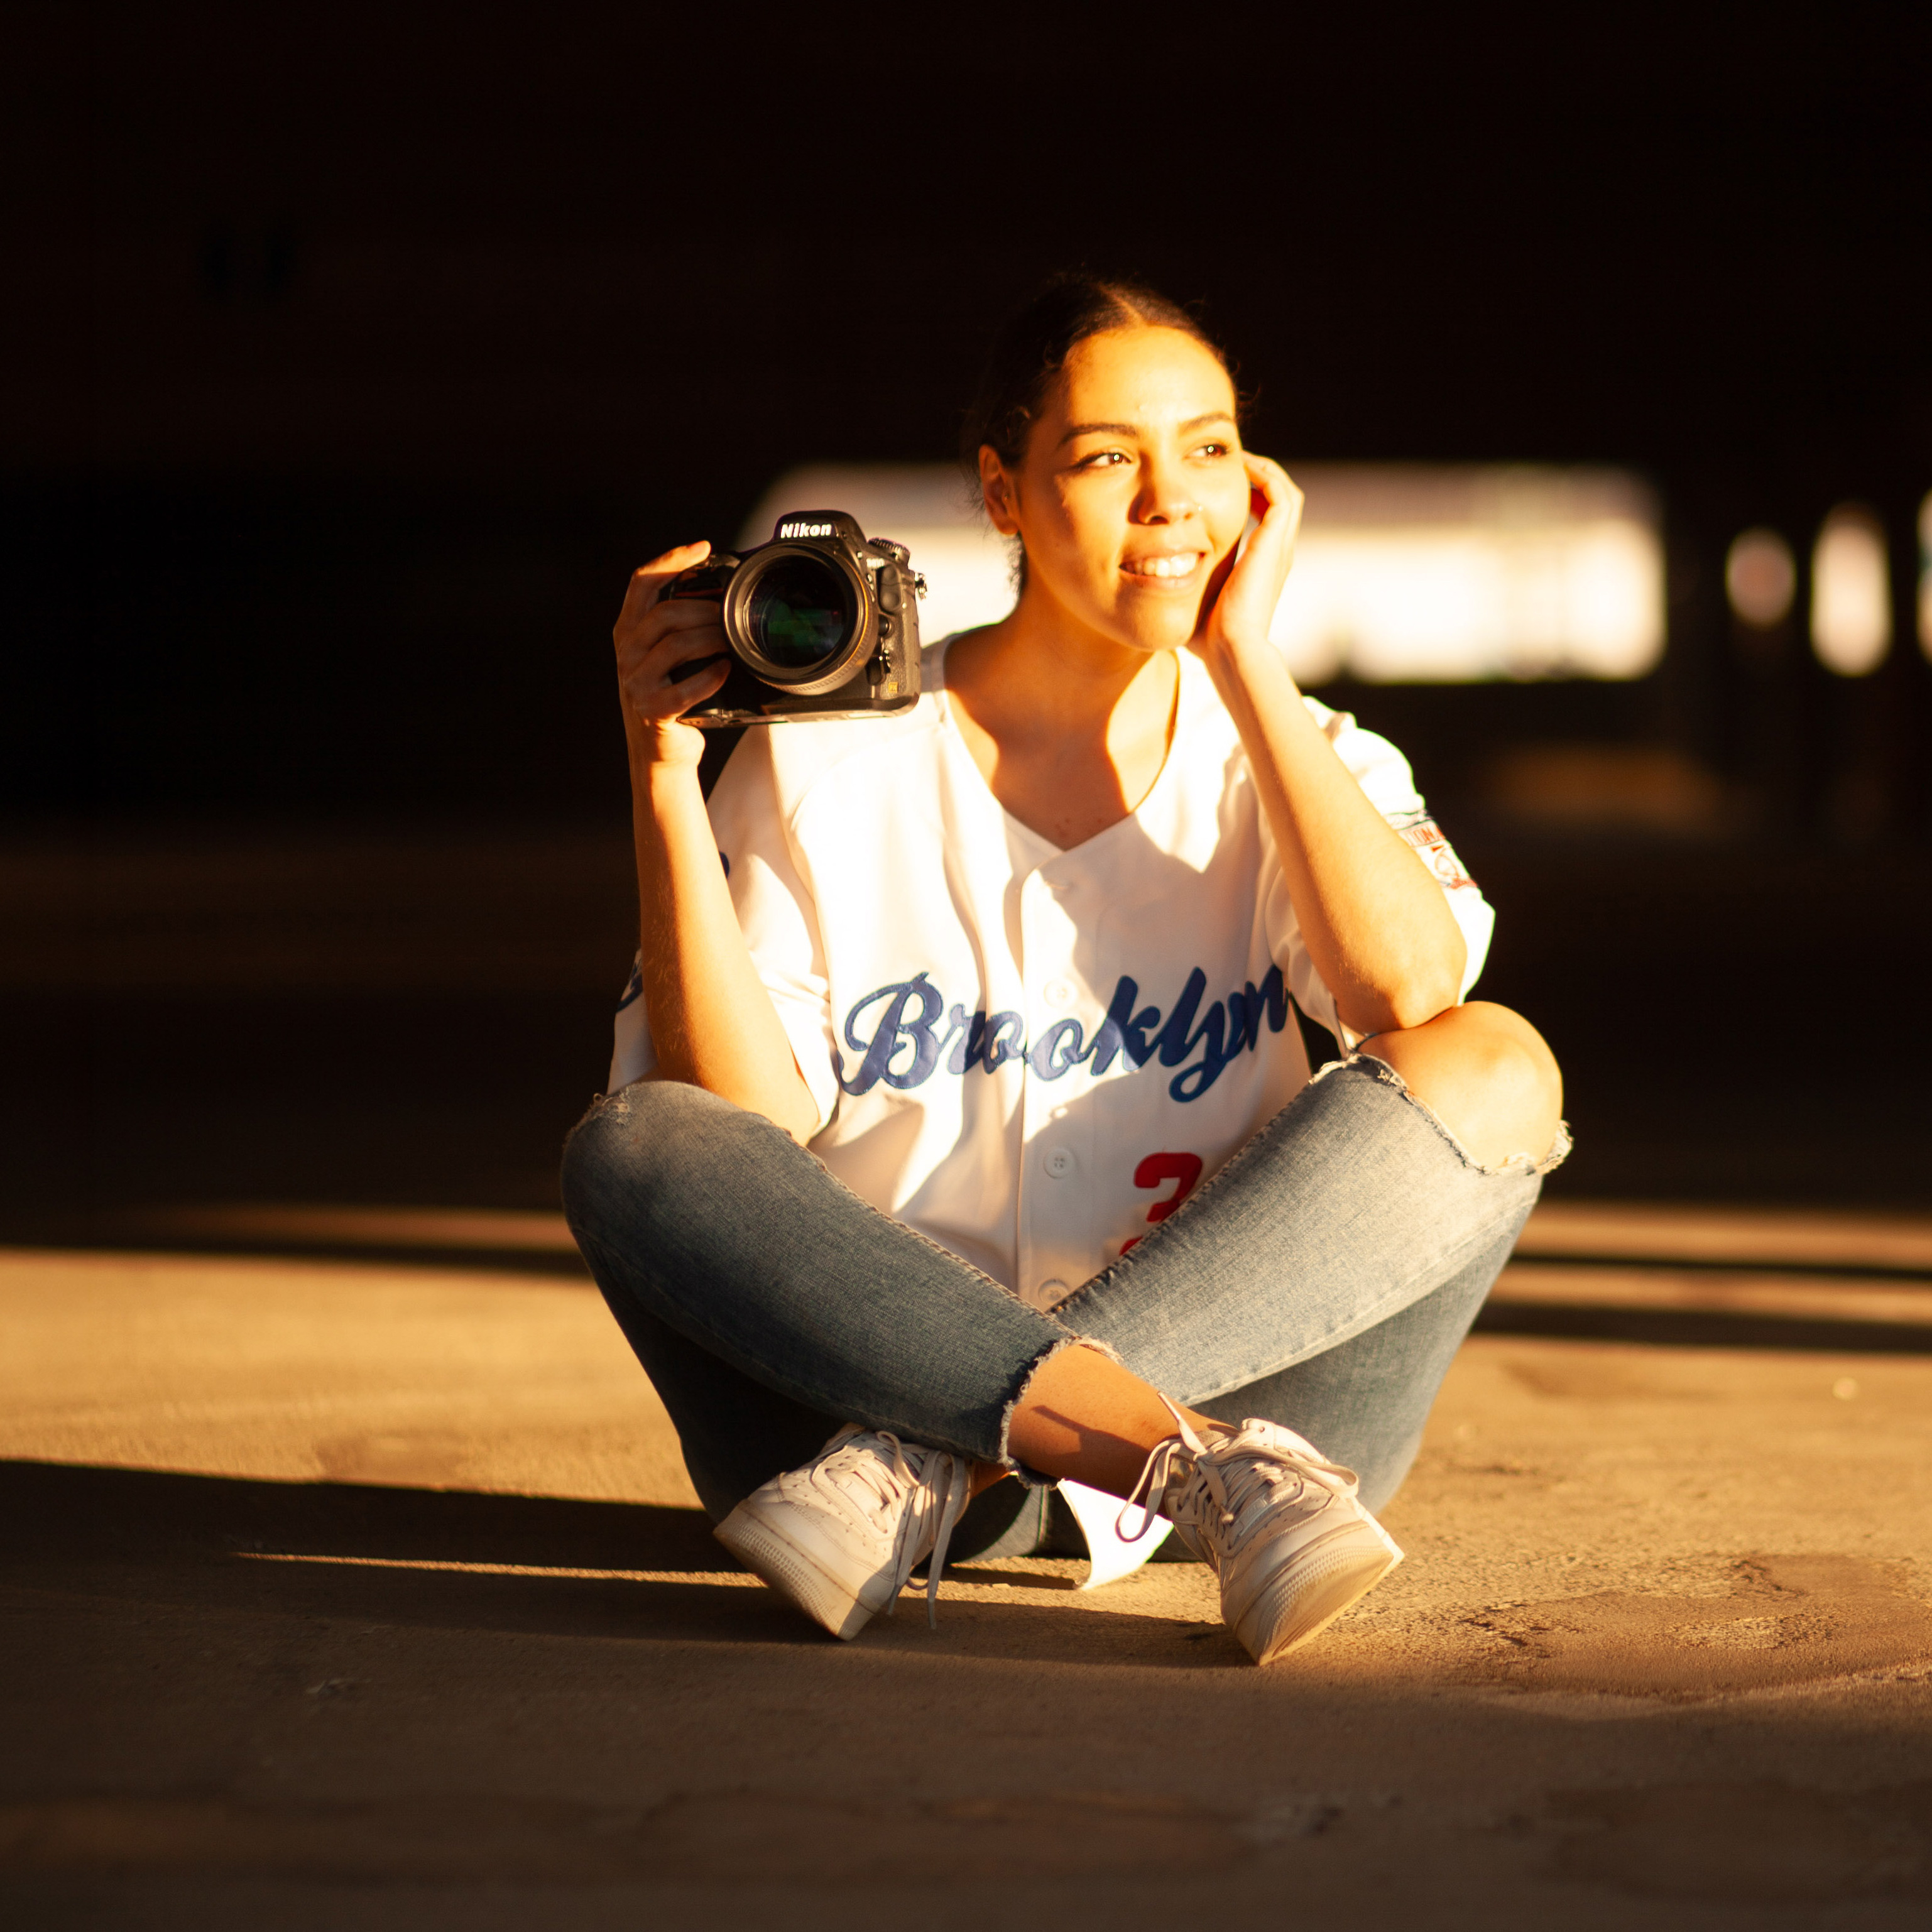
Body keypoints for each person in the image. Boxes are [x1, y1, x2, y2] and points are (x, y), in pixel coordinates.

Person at [562, 275, 1567, 1666]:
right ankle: (1147, 1452)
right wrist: (660, 775)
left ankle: (953, 1457)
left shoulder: (1300, 756)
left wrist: (1243, 660)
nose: (1171, 500)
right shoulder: (823, 755)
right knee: (637, 1141)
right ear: (1001, 493)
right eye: (1106, 458)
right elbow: (742, 1121)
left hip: (1158, 1453)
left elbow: (1404, 1002)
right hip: (840, 1433)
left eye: (1208, 448)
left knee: (1497, 1063)